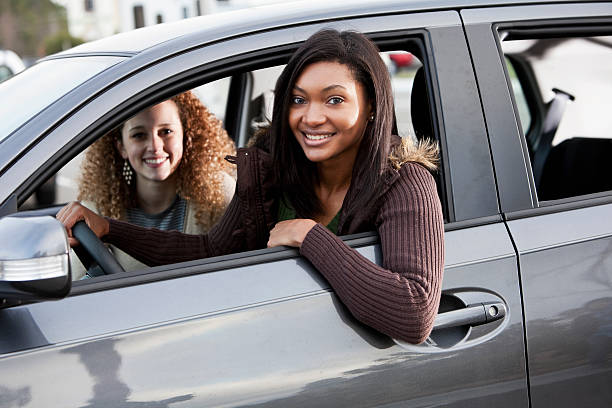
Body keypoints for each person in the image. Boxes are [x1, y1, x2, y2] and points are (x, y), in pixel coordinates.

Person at [58, 29, 444, 344]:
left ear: (372, 106)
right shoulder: (272, 171)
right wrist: (111, 229)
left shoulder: (405, 181)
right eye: (298, 99)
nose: (311, 117)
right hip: (275, 348)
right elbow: (212, 252)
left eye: (335, 100)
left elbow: (413, 312)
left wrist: (309, 235)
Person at [72, 91, 236, 277]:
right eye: (139, 135)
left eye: (166, 132)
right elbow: (77, 285)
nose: (155, 147)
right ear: (122, 148)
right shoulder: (99, 206)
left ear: (186, 137)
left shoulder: (218, 191)